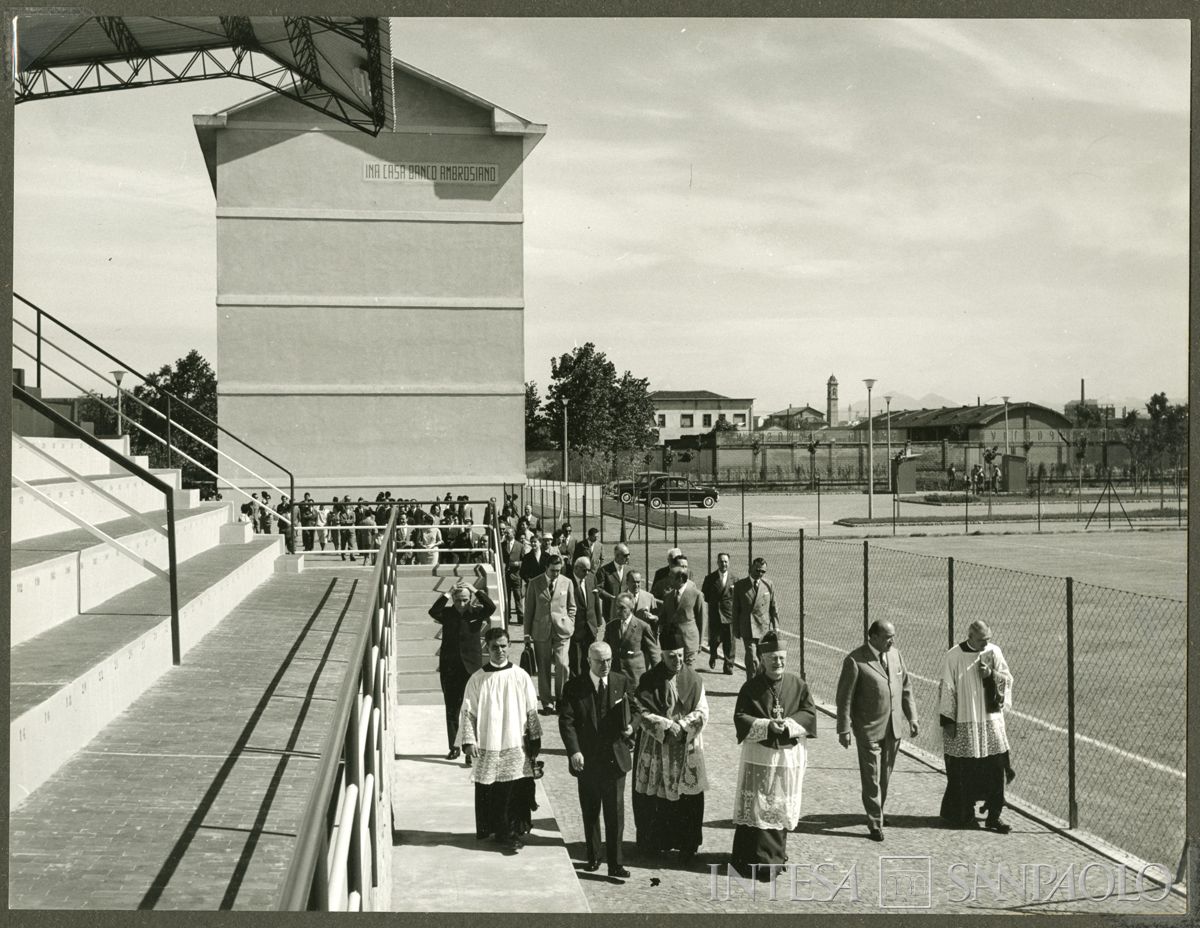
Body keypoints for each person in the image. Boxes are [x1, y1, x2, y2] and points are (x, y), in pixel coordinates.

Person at [731, 631, 816, 880]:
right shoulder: (750, 687)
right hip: (759, 754)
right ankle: (748, 859)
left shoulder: (797, 685)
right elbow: (740, 717)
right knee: (756, 803)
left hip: (785, 757)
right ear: (763, 659)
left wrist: (788, 724)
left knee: (778, 805)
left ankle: (772, 860)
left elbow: (809, 714)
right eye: (773, 658)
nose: (778, 663)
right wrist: (766, 725)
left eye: (781, 658)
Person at [457, 627, 542, 854]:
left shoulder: (520, 675)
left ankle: (512, 832)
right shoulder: (477, 679)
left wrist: (534, 741)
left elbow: (531, 709)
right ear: (487, 648)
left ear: (509, 646)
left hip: (515, 741)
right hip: (489, 741)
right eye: (495, 647)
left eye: (504, 646)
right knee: (493, 790)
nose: (500, 651)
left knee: (514, 789)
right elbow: (468, 711)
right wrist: (468, 740)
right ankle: (498, 831)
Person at [558, 641, 637, 878]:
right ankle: (593, 857)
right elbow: (567, 721)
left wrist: (632, 727)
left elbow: (635, 709)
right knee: (591, 811)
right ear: (588, 661)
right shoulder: (574, 686)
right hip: (588, 759)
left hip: (615, 760)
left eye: (609, 660)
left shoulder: (621, 681)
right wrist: (574, 751)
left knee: (615, 814)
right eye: (600, 661)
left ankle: (616, 863)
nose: (605, 665)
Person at [835, 620, 919, 841]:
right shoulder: (855, 660)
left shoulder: (896, 655)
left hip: (893, 728)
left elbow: (906, 687)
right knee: (872, 777)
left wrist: (912, 717)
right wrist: (843, 729)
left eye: (893, 636)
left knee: (886, 774)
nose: (891, 640)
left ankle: (878, 811)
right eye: (887, 637)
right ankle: (874, 823)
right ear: (872, 637)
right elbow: (844, 699)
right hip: (868, 730)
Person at [632, 624, 708, 864]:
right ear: (662, 655)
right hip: (657, 747)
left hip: (686, 746)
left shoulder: (694, 679)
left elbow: (703, 710)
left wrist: (683, 726)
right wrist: (666, 726)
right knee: (656, 799)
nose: (677, 661)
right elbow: (640, 710)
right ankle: (655, 844)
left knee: (688, 799)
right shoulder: (649, 679)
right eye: (672, 656)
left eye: (680, 655)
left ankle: (687, 846)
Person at [938, 620, 1014, 834]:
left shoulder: (994, 651)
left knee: (995, 769)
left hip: (990, 721)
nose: (985, 644)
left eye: (988, 639)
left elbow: (1007, 679)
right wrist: (949, 721)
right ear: (970, 636)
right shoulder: (954, 656)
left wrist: (991, 675)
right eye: (981, 640)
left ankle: (994, 816)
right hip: (965, 720)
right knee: (965, 771)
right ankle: (964, 813)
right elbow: (947, 689)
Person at [430, 583, 495, 760]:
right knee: (452, 709)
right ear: (453, 599)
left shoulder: (475, 613)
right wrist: (448, 592)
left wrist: (475, 590)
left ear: (470, 600)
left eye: (465, 600)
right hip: (450, 668)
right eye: (458, 600)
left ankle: (470, 748)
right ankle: (454, 747)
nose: (461, 604)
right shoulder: (448, 614)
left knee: (472, 710)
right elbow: (433, 611)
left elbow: (491, 607)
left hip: (471, 669)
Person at [523, 554, 575, 715]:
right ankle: (547, 702)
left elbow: (572, 606)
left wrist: (569, 622)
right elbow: (529, 610)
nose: (556, 574)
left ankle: (561, 699)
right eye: (553, 570)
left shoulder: (567, 582)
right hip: (541, 631)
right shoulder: (534, 583)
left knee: (562, 665)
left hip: (562, 631)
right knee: (543, 667)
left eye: (559, 570)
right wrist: (526, 634)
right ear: (546, 568)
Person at [733, 557, 779, 678]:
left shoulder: (768, 585)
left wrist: (776, 627)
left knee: (762, 659)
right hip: (748, 628)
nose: (760, 574)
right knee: (752, 658)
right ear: (751, 567)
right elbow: (735, 610)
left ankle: (760, 685)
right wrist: (736, 630)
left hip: (763, 628)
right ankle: (751, 686)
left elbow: (773, 608)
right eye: (757, 570)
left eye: (763, 572)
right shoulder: (740, 585)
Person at [603, 592, 659, 683]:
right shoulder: (611, 626)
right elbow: (605, 649)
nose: (618, 611)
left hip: (635, 678)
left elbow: (654, 654)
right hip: (616, 678)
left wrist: (657, 677)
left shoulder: (643, 627)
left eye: (622, 608)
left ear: (631, 608)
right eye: (617, 607)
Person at [656, 564, 705, 666]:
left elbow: (702, 619)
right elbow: (663, 617)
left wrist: (700, 642)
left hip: (689, 642)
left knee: (688, 672)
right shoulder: (668, 596)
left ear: (681, 579)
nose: (668, 580)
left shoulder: (696, 594)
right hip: (672, 643)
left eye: (671, 577)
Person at [700, 552, 738, 674]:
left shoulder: (735, 579)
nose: (723, 564)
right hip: (715, 614)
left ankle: (729, 665)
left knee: (730, 642)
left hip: (729, 615)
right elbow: (705, 596)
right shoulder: (710, 578)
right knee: (714, 640)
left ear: (729, 563)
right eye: (721, 561)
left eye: (726, 561)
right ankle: (713, 655)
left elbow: (736, 598)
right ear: (717, 563)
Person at [568, 556, 601, 679]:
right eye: (584, 570)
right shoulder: (567, 580)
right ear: (576, 568)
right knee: (575, 661)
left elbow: (596, 599)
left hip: (590, 627)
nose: (587, 573)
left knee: (590, 659)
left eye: (588, 570)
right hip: (575, 628)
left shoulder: (592, 578)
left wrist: (597, 620)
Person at [596, 543, 631, 621]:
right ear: (617, 556)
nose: (628, 557)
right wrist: (611, 598)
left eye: (629, 554)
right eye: (625, 555)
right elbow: (598, 588)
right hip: (610, 610)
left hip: (626, 610)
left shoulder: (628, 570)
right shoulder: (604, 570)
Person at [500, 525, 527, 623]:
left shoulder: (519, 545)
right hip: (505, 575)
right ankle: (507, 617)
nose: (506, 534)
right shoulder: (502, 545)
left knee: (518, 597)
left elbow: (524, 560)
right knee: (506, 597)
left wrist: (518, 563)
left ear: (513, 534)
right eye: (506, 533)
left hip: (516, 575)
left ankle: (520, 617)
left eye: (508, 533)